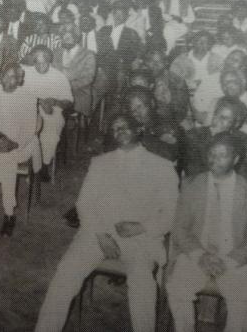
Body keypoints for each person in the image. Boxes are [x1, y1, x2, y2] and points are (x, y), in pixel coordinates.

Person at [34, 114, 179, 332]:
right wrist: (101, 235)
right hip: (97, 234)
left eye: (125, 127)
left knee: (142, 284)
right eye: (114, 128)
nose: (119, 131)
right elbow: (84, 204)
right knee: (64, 275)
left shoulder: (162, 167)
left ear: (139, 130)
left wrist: (141, 227)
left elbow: (172, 212)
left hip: (140, 238)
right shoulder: (100, 163)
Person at [167, 132, 247, 332]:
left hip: (235, 259)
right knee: (176, 288)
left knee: (245, 300)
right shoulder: (192, 184)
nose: (214, 159)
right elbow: (180, 229)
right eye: (211, 153)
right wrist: (200, 256)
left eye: (222, 155)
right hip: (197, 254)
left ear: (236, 159)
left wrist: (229, 260)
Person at [0, 64, 43, 236]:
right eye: (5, 75)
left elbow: (29, 130)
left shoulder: (28, 97)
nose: (7, 80)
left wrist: (12, 144)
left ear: (20, 80)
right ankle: (8, 214)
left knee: (6, 158)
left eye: (12, 77)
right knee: (3, 158)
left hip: (21, 146)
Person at [22, 46, 73, 178]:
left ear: (49, 61)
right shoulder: (26, 72)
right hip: (28, 107)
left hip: (52, 110)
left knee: (51, 126)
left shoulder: (59, 77)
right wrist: (37, 101)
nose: (40, 67)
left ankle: (44, 164)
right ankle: (22, 159)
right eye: (36, 63)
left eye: (43, 63)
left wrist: (54, 101)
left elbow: (68, 101)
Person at [184, 96, 247, 184]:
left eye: (224, 118)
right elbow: (193, 177)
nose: (215, 121)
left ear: (236, 123)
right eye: (216, 114)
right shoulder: (194, 136)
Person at [52, 23, 96, 117]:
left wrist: (67, 86)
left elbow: (88, 78)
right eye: (63, 37)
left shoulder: (88, 55)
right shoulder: (56, 53)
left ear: (76, 38)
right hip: (57, 93)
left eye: (69, 37)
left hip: (79, 94)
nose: (65, 39)